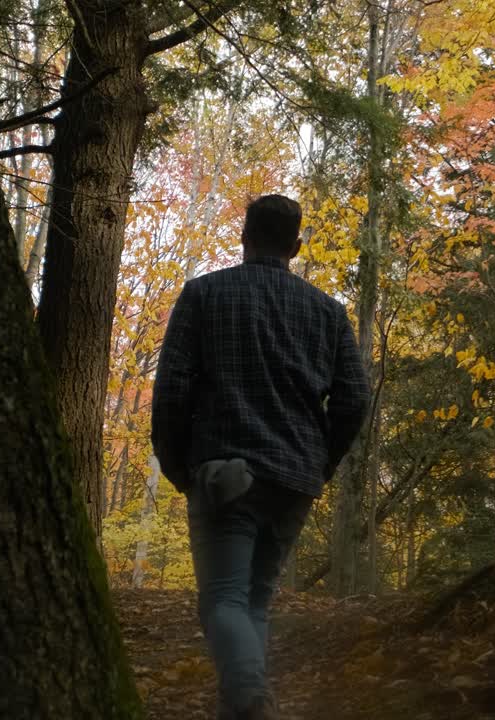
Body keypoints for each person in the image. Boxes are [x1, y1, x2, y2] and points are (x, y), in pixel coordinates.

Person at [151, 194, 370, 720]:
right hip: (295, 475)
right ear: (296, 245)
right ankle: (246, 706)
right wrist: (322, 463)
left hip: (224, 470)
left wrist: (175, 463)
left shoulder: (205, 295)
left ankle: (250, 697)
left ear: (244, 235)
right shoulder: (329, 312)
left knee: (224, 599)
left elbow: (173, 388)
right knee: (255, 599)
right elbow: (354, 398)